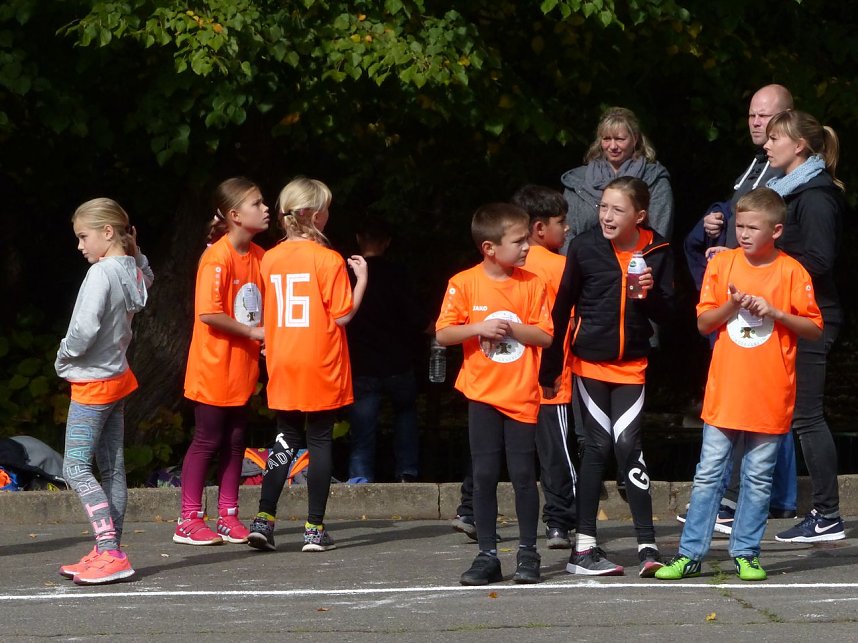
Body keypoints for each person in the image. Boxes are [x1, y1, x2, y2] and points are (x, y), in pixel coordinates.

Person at [656, 188, 823, 582]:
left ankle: (746, 552)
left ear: (777, 230)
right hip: (725, 390)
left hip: (770, 392)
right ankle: (689, 552)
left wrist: (776, 312)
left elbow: (814, 328)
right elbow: (703, 323)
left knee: (758, 476)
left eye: (753, 227)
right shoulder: (723, 264)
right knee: (709, 472)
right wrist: (733, 305)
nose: (743, 233)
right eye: (739, 225)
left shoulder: (792, 271)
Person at [540, 177, 673, 577]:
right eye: (602, 207)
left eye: (617, 210)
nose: (607, 216)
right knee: (597, 446)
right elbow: (561, 309)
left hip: (632, 365)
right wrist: (550, 369)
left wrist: (650, 294)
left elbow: (669, 315)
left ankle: (647, 546)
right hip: (589, 364)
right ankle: (583, 549)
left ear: (640, 215)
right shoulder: (583, 246)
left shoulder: (659, 248)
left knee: (629, 446)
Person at [681, 84, 797, 531]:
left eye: (765, 117)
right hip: (732, 302)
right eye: (751, 115)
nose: (756, 124)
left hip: (767, 310)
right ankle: (710, 519)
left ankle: (766, 507)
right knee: (729, 405)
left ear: (788, 120)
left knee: (771, 408)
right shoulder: (753, 166)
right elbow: (737, 215)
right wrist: (714, 225)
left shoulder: (789, 175)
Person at [247, 178, 367, 553]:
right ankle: (314, 528)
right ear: (316, 215)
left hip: (284, 356)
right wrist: (361, 280)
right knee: (319, 438)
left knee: (285, 436)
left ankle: (264, 519)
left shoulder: (270, 258)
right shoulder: (328, 259)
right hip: (321, 359)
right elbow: (343, 315)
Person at [436, 203, 553, 586]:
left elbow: (546, 335)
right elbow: (444, 333)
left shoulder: (532, 283)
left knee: (523, 475)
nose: (526, 248)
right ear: (489, 248)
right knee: (484, 475)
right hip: (482, 395)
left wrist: (511, 329)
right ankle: (487, 555)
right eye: (518, 241)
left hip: (521, 395)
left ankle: (527, 554)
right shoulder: (464, 283)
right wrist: (477, 328)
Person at [56, 197, 154, 584]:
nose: (80, 246)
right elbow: (147, 283)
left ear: (107, 232)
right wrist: (139, 254)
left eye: (84, 236)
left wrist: (64, 355)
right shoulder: (130, 269)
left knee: (75, 466)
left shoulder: (100, 274)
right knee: (112, 466)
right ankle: (107, 550)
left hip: (93, 383)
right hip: (117, 378)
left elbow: (83, 329)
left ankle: (109, 549)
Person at [762, 110, 847, 543]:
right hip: (796, 313)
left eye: (775, 137)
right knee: (792, 412)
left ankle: (827, 514)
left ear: (799, 146)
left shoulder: (814, 197)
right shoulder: (788, 192)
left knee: (807, 415)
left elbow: (818, 260)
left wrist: (769, 263)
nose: (766, 144)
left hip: (815, 316)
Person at [174, 177, 269, 546]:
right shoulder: (217, 257)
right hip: (213, 366)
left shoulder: (261, 257)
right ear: (234, 215)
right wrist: (255, 334)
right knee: (207, 439)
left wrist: (265, 335)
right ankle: (188, 518)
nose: (265, 209)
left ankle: (228, 516)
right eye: (257, 204)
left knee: (235, 440)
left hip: (242, 368)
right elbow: (209, 313)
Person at [511, 185, 577, 549]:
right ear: (539, 229)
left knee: (501, 450)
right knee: (557, 456)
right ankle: (559, 523)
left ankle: (470, 510)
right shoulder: (562, 267)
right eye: (561, 222)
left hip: (511, 378)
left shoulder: (507, 267)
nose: (566, 229)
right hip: (554, 376)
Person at [346, 217, 427, 482]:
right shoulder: (398, 274)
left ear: (359, 238)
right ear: (387, 242)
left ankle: (360, 479)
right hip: (397, 361)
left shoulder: (349, 274)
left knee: (362, 427)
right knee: (405, 416)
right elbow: (414, 315)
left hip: (361, 361)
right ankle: (407, 471)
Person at [560, 106, 674, 253]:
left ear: (635, 139)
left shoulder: (654, 180)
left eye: (620, 139)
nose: (613, 146)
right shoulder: (578, 181)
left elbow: (659, 234)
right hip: (585, 266)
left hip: (636, 266)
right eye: (607, 139)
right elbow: (566, 232)